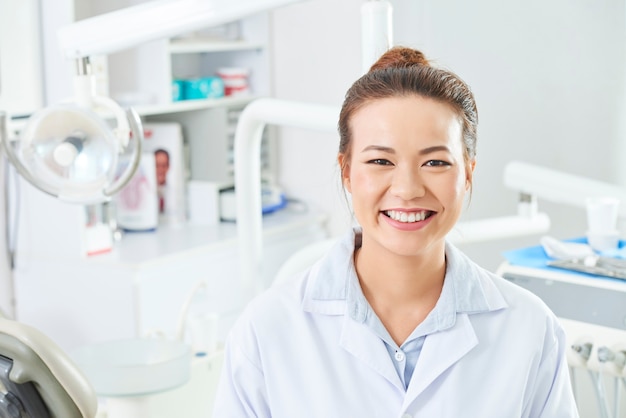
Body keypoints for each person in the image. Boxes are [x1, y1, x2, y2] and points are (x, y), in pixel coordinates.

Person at [213, 47, 579, 417]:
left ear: (467, 173)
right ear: (346, 171)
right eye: (380, 161)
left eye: (435, 162)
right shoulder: (268, 330)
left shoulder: (528, 328)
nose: (407, 189)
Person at [154, 148, 170, 214]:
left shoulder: (175, 192)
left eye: (163, 165)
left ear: (168, 167)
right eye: (157, 165)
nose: (160, 170)